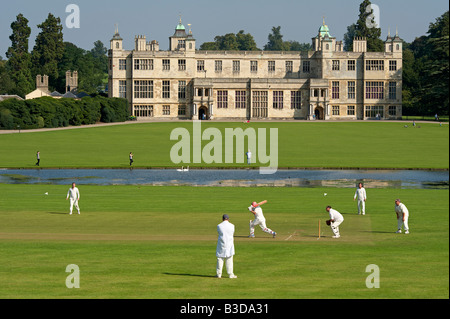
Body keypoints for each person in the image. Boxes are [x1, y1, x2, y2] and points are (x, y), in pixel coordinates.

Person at [216, 214, 237, 279]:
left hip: (222, 244)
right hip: (229, 244)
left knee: (220, 258)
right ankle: (230, 274)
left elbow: (219, 233)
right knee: (229, 259)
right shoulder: (232, 226)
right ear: (228, 219)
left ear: (222, 219)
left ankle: (219, 274)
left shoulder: (219, 226)